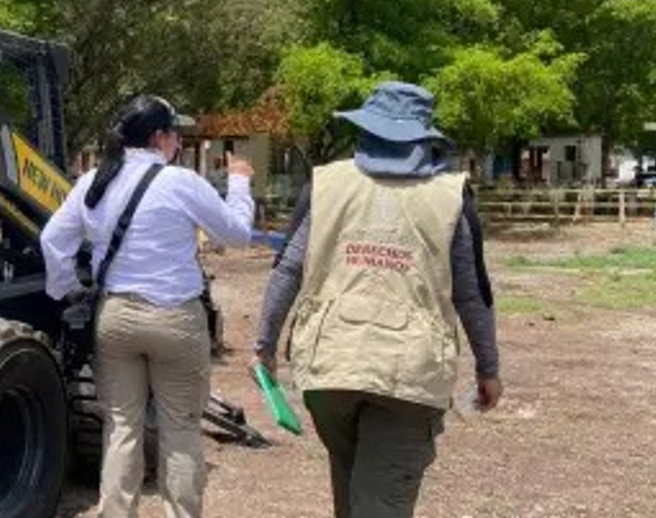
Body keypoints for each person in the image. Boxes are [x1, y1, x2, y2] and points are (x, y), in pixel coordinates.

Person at [252, 81, 503, 518]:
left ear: (365, 132)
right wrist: (489, 369)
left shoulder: (326, 186)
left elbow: (287, 269)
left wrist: (264, 346)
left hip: (330, 368)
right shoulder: (450, 198)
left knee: (354, 497)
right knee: (379, 505)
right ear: (423, 139)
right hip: (408, 375)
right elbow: (472, 293)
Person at [41, 94, 256, 518]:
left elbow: (52, 241)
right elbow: (237, 235)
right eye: (177, 134)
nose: (179, 142)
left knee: (121, 426)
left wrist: (70, 291)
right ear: (160, 137)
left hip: (115, 317)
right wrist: (240, 184)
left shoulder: (92, 182)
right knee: (180, 427)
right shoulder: (181, 182)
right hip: (175, 317)